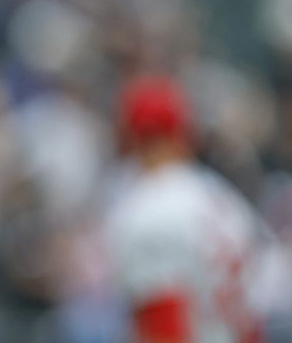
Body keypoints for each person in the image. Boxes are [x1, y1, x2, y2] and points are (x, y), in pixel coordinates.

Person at [103, 75, 276, 343]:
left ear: (130, 137)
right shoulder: (223, 197)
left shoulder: (145, 209)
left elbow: (164, 328)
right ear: (184, 133)